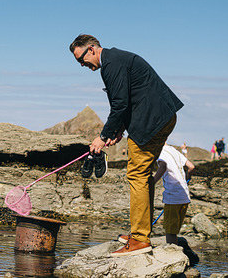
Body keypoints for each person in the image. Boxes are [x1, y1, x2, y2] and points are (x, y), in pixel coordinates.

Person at [70, 34, 183, 256]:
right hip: (161, 116)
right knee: (142, 173)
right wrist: (118, 130)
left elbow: (120, 104)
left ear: (91, 49)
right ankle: (141, 234)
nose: (82, 65)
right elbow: (128, 99)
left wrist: (102, 137)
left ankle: (140, 239)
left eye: (81, 59)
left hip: (152, 119)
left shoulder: (111, 64)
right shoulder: (115, 60)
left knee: (136, 174)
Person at [153, 144, 198, 264]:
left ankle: (173, 260)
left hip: (173, 198)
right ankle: (177, 253)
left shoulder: (160, 151)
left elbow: (162, 166)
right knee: (175, 229)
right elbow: (191, 167)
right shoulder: (173, 150)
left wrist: (152, 182)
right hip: (184, 196)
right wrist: (187, 177)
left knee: (170, 231)